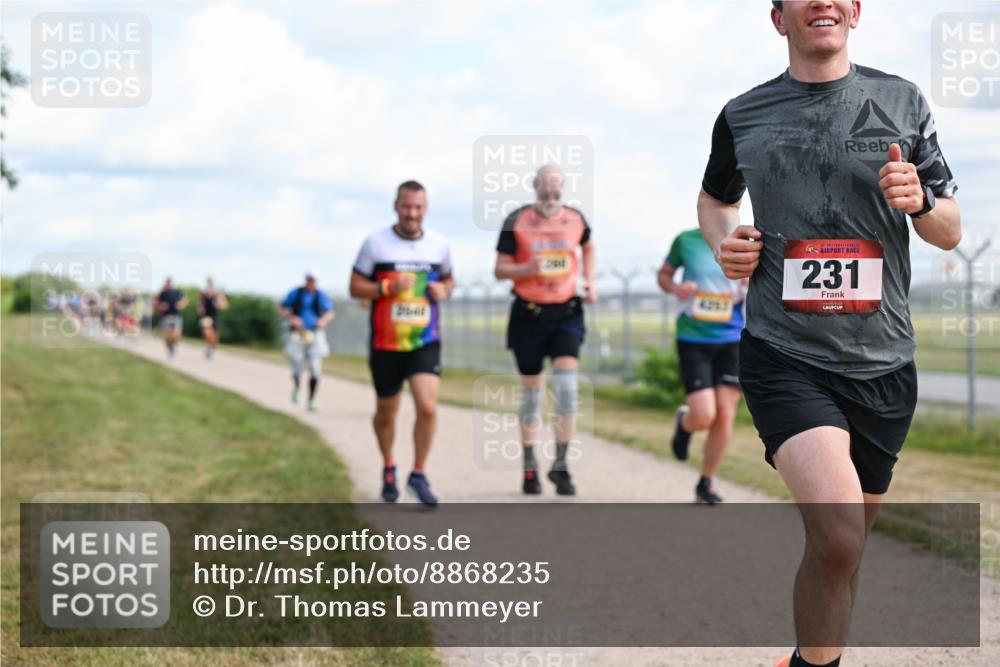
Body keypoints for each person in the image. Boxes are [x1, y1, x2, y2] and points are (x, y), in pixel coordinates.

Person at [697, 2, 961, 666]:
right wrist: (729, 242)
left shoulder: (900, 100)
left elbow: (950, 229)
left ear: (855, 11)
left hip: (884, 361)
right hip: (785, 353)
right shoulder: (743, 114)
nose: (822, 1)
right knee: (840, 536)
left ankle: (806, 657)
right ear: (779, 18)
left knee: (842, 549)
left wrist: (921, 202)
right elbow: (714, 199)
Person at [349, 180, 454, 508]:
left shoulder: (439, 245)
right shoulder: (375, 244)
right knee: (386, 412)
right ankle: (389, 466)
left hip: (425, 339)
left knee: (427, 406)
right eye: (407, 207)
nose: (412, 214)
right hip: (386, 342)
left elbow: (449, 279)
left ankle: (419, 473)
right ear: (396, 207)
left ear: (426, 208)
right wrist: (385, 289)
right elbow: (355, 287)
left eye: (418, 208)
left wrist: (444, 290)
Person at [494, 164, 597, 496]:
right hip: (528, 314)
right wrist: (526, 268)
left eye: (557, 191)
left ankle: (561, 466)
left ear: (563, 190)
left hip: (566, 313)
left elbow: (588, 246)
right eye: (545, 190)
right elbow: (499, 270)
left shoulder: (576, 218)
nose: (551, 196)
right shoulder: (516, 220)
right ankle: (528, 467)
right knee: (532, 396)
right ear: (534, 186)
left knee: (567, 392)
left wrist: (589, 280)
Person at [657, 228, 746, 505]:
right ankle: (685, 425)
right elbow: (664, 276)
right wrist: (676, 287)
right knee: (704, 414)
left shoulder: (746, 240)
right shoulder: (685, 240)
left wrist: (748, 281)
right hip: (693, 337)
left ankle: (706, 481)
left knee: (725, 413)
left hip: (733, 337)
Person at [279, 274, 334, 411]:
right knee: (297, 364)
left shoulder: (320, 295)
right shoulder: (296, 293)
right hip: (298, 333)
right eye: (309, 279)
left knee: (315, 368)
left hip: (314, 333)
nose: (311, 282)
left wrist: (323, 321)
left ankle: (311, 399)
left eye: (313, 280)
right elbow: (283, 307)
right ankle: (297, 388)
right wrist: (292, 318)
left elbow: (329, 312)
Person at [154, 278, 188, 359]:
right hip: (166, 317)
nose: (168, 285)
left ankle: (175, 345)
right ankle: (170, 351)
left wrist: (181, 304)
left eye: (169, 283)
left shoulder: (177, 292)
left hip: (176, 316)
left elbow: (185, 300)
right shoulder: (162, 293)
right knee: (167, 336)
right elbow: (156, 303)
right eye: (167, 283)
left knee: (176, 334)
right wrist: (161, 306)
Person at [197, 277, 229, 359]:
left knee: (215, 338)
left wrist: (220, 305)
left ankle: (210, 348)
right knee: (207, 332)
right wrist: (200, 309)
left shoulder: (218, 294)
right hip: (206, 317)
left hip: (215, 317)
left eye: (211, 282)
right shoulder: (203, 294)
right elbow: (199, 304)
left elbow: (225, 305)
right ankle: (208, 347)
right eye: (208, 282)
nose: (209, 284)